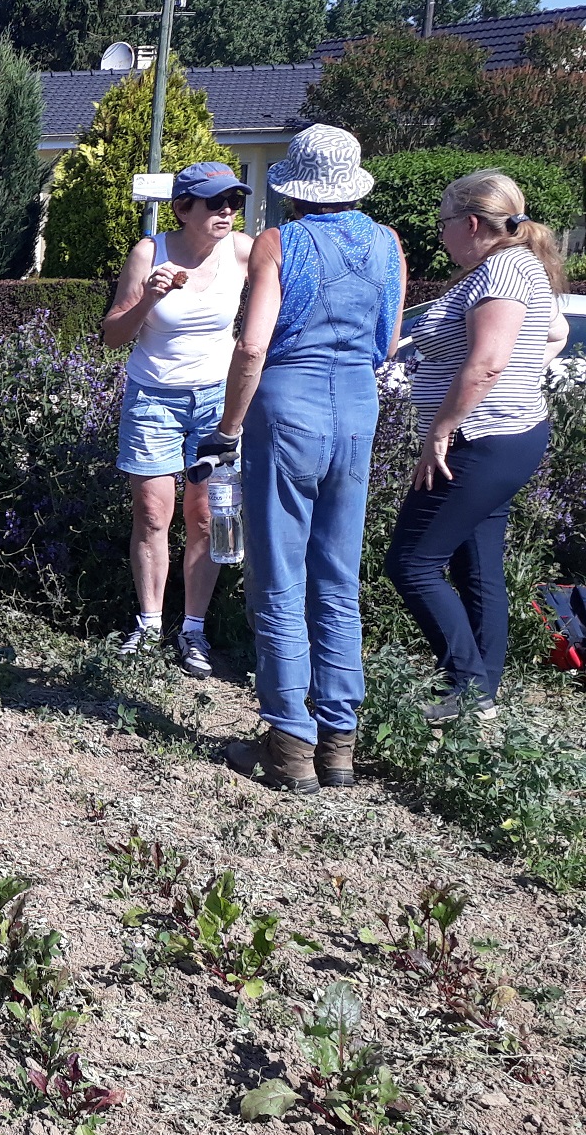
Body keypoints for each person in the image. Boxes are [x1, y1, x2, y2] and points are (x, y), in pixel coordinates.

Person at [197, 124, 405, 793]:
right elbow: (387, 341)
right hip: (356, 408)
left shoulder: (278, 242)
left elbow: (253, 346)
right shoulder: (386, 242)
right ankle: (339, 742)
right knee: (337, 577)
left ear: (295, 189)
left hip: (288, 408)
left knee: (279, 577)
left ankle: (289, 739)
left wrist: (228, 428)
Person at [385, 171, 569, 720]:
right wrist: (524, 371)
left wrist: (441, 430)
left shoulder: (505, 270)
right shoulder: (512, 267)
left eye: (444, 224)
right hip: (505, 435)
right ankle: (481, 697)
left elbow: (486, 361)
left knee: (412, 563)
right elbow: (554, 333)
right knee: (477, 566)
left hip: (479, 441)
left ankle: (464, 685)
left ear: (470, 223)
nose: (441, 237)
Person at [101, 161, 254, 677]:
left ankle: (193, 630)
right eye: (215, 202)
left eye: (234, 200)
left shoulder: (242, 250)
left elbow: (285, 295)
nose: (227, 211)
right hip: (153, 399)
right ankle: (147, 626)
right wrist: (150, 296)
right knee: (151, 513)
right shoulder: (149, 252)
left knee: (207, 518)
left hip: (216, 400)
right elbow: (113, 336)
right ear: (183, 208)